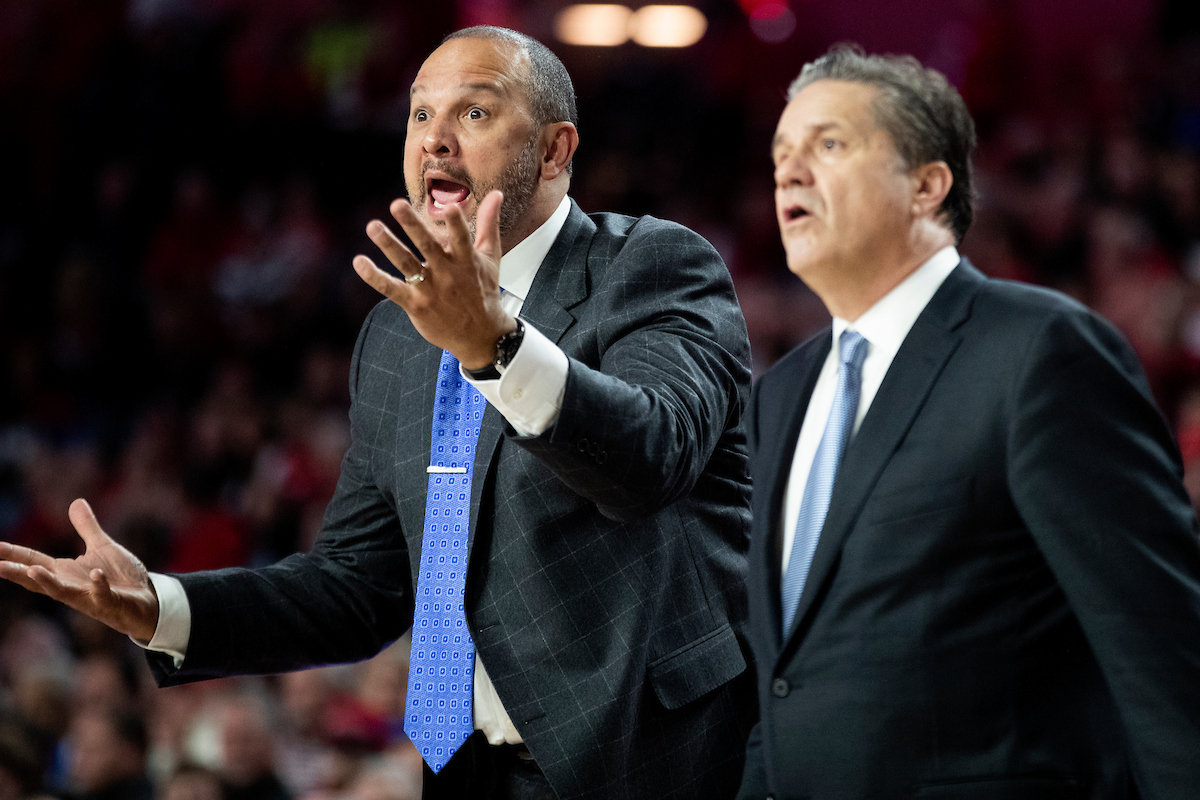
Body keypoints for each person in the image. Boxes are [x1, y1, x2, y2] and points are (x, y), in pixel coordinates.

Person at [0, 26, 756, 800]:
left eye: (474, 114)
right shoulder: (397, 332)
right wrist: (163, 605)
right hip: (470, 773)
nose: (435, 141)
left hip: (652, 764)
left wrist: (497, 346)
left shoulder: (653, 267)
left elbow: (651, 460)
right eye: (420, 115)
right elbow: (358, 586)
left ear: (557, 151)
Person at [738, 45, 1200, 800]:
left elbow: (1161, 655)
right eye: (782, 152)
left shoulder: (1037, 351)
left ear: (926, 186)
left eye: (829, 144)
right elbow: (786, 688)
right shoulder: (781, 394)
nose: (789, 171)